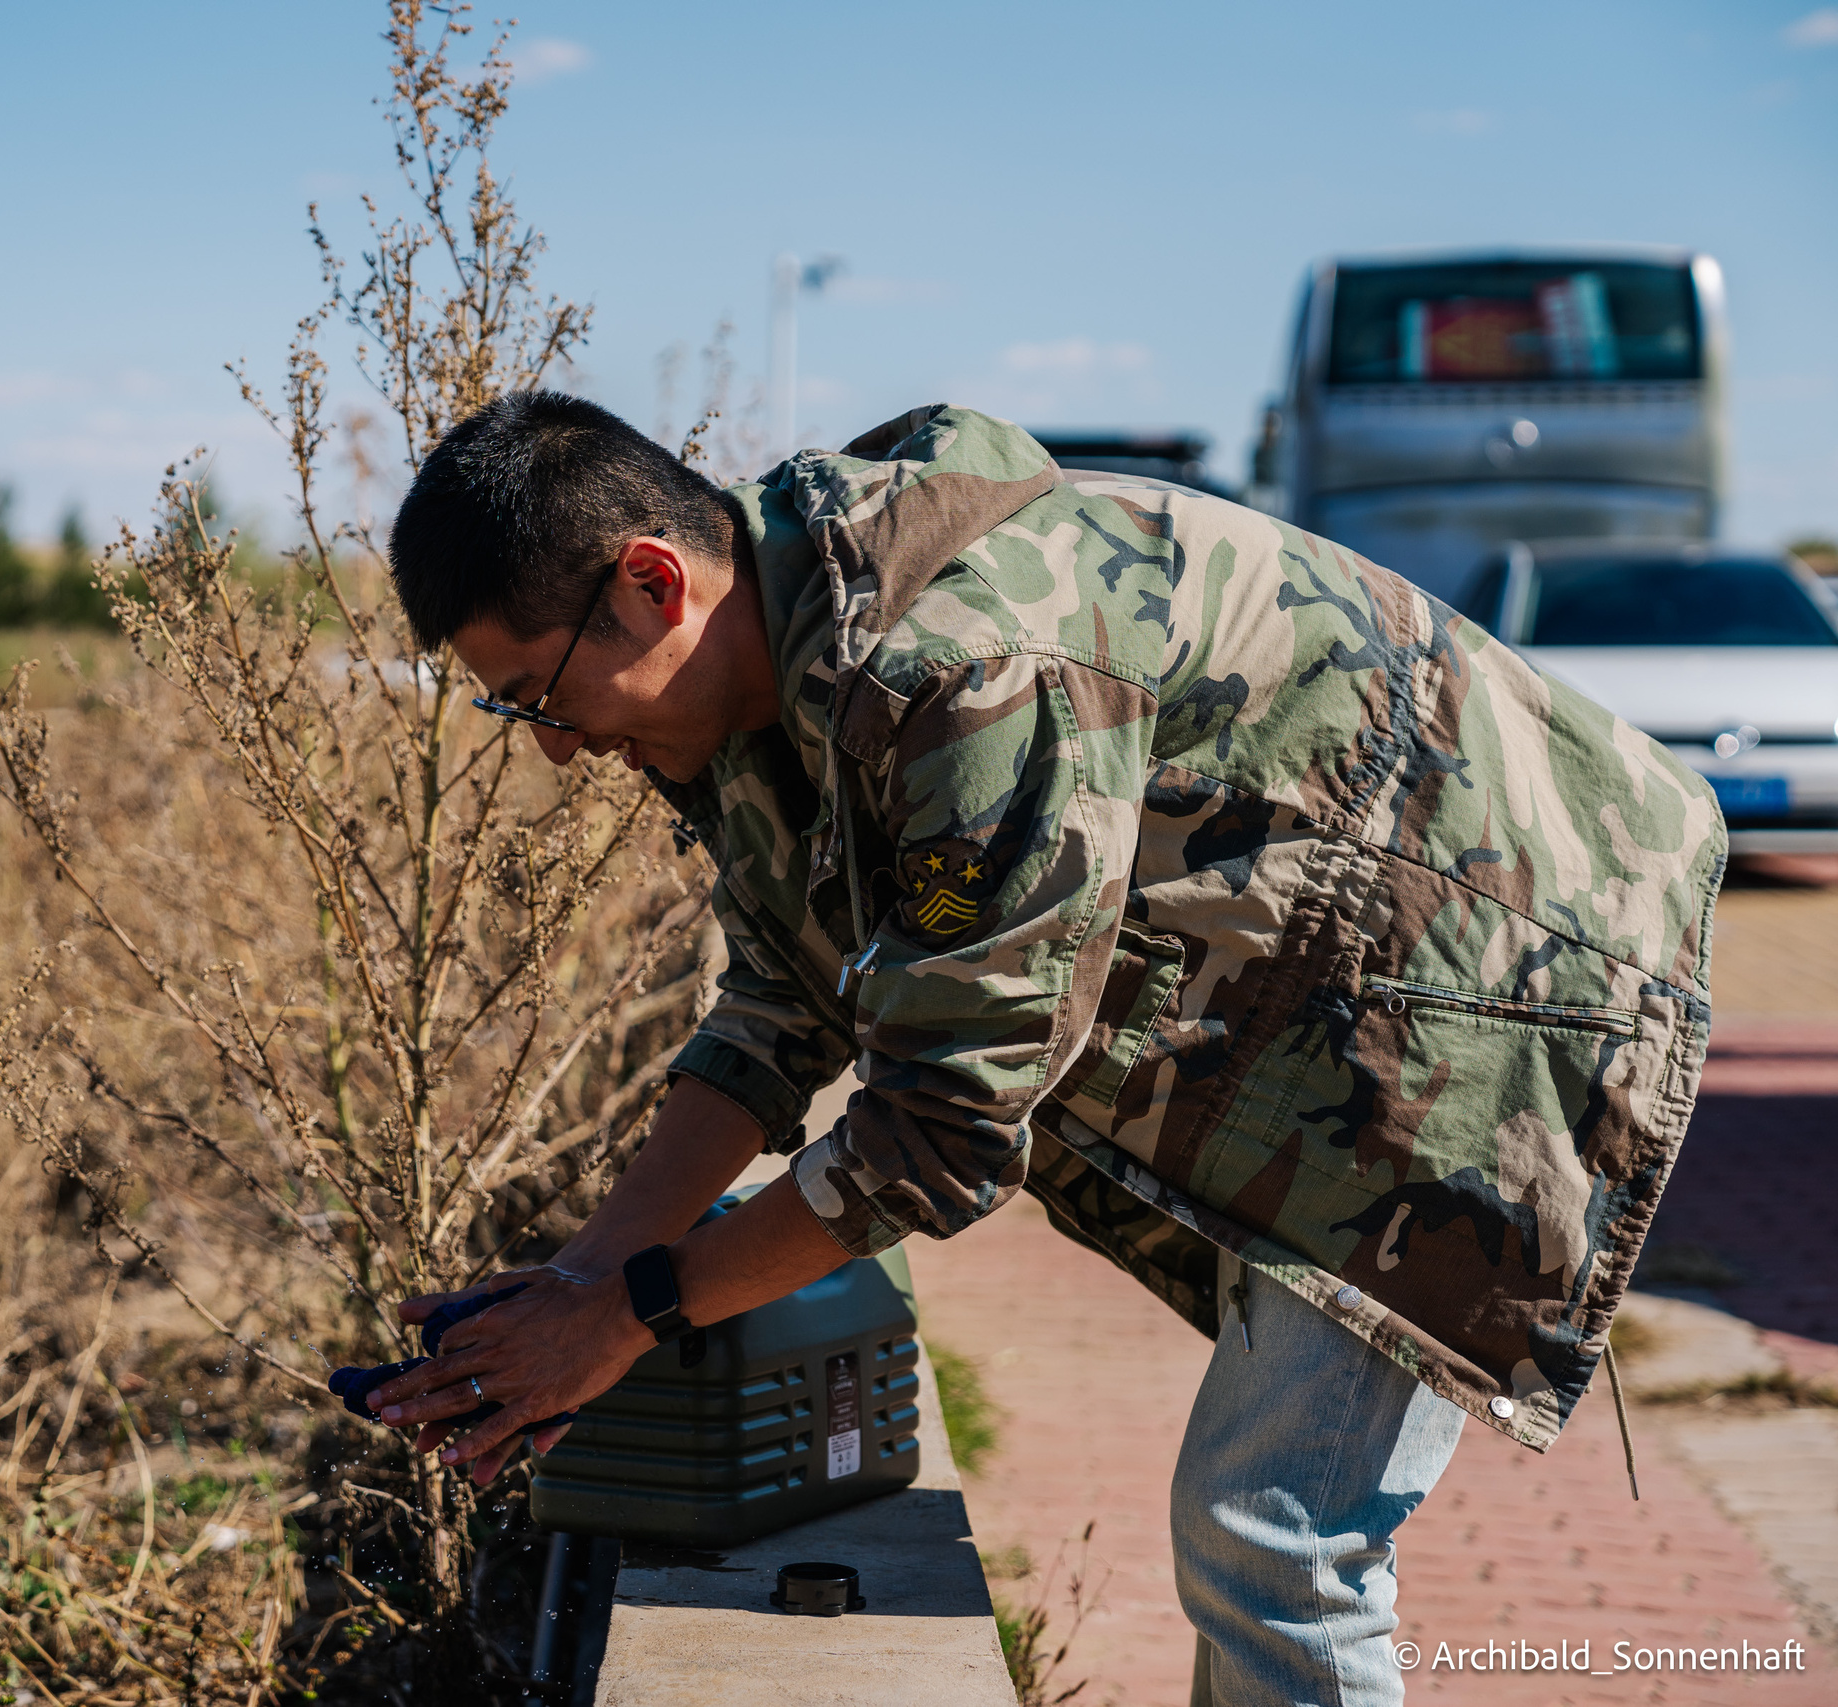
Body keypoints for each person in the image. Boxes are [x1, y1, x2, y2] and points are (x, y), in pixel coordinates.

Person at [365, 394, 1724, 1704]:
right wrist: (582, 1279)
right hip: (1333, 991)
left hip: (1501, 977)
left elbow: (940, 1133)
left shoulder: (962, 664)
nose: (559, 752)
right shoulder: (758, 688)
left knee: (1277, 1534)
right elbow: (782, 1006)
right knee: (1267, 1535)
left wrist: (629, 1316)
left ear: (655, 583)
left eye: (542, 699)